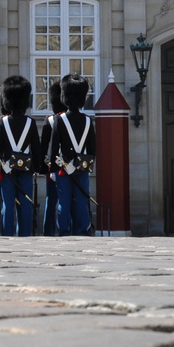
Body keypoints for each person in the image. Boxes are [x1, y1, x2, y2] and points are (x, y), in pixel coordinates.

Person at [47, 74, 96, 236]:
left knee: (64, 201)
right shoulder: (88, 121)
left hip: (63, 168)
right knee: (82, 201)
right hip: (82, 168)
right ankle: (82, 231)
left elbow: (53, 149)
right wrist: (85, 166)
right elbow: (92, 150)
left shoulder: (59, 120)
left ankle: (64, 231)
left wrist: (53, 169)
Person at [0, 75, 38, 237]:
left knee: (7, 205)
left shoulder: (0, 122)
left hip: (6, 170)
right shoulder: (30, 123)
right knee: (25, 204)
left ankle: (7, 236)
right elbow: (37, 150)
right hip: (26, 169)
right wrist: (37, 167)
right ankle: (25, 235)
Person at [38, 81, 65, 236]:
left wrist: (43, 167)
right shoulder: (54, 120)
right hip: (68, 166)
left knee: (52, 200)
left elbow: (44, 147)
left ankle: (48, 231)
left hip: (53, 167)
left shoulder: (50, 120)